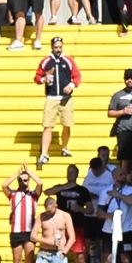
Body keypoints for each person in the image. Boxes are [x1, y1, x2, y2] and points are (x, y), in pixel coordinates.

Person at [34, 35, 81, 167]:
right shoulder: (46, 61)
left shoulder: (68, 60)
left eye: (60, 47)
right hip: (51, 97)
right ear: (52, 47)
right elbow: (37, 77)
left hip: (66, 98)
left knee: (67, 124)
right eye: (56, 47)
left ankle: (64, 147)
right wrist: (44, 79)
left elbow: (77, 76)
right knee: (47, 125)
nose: (58, 49)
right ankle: (44, 153)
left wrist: (71, 86)